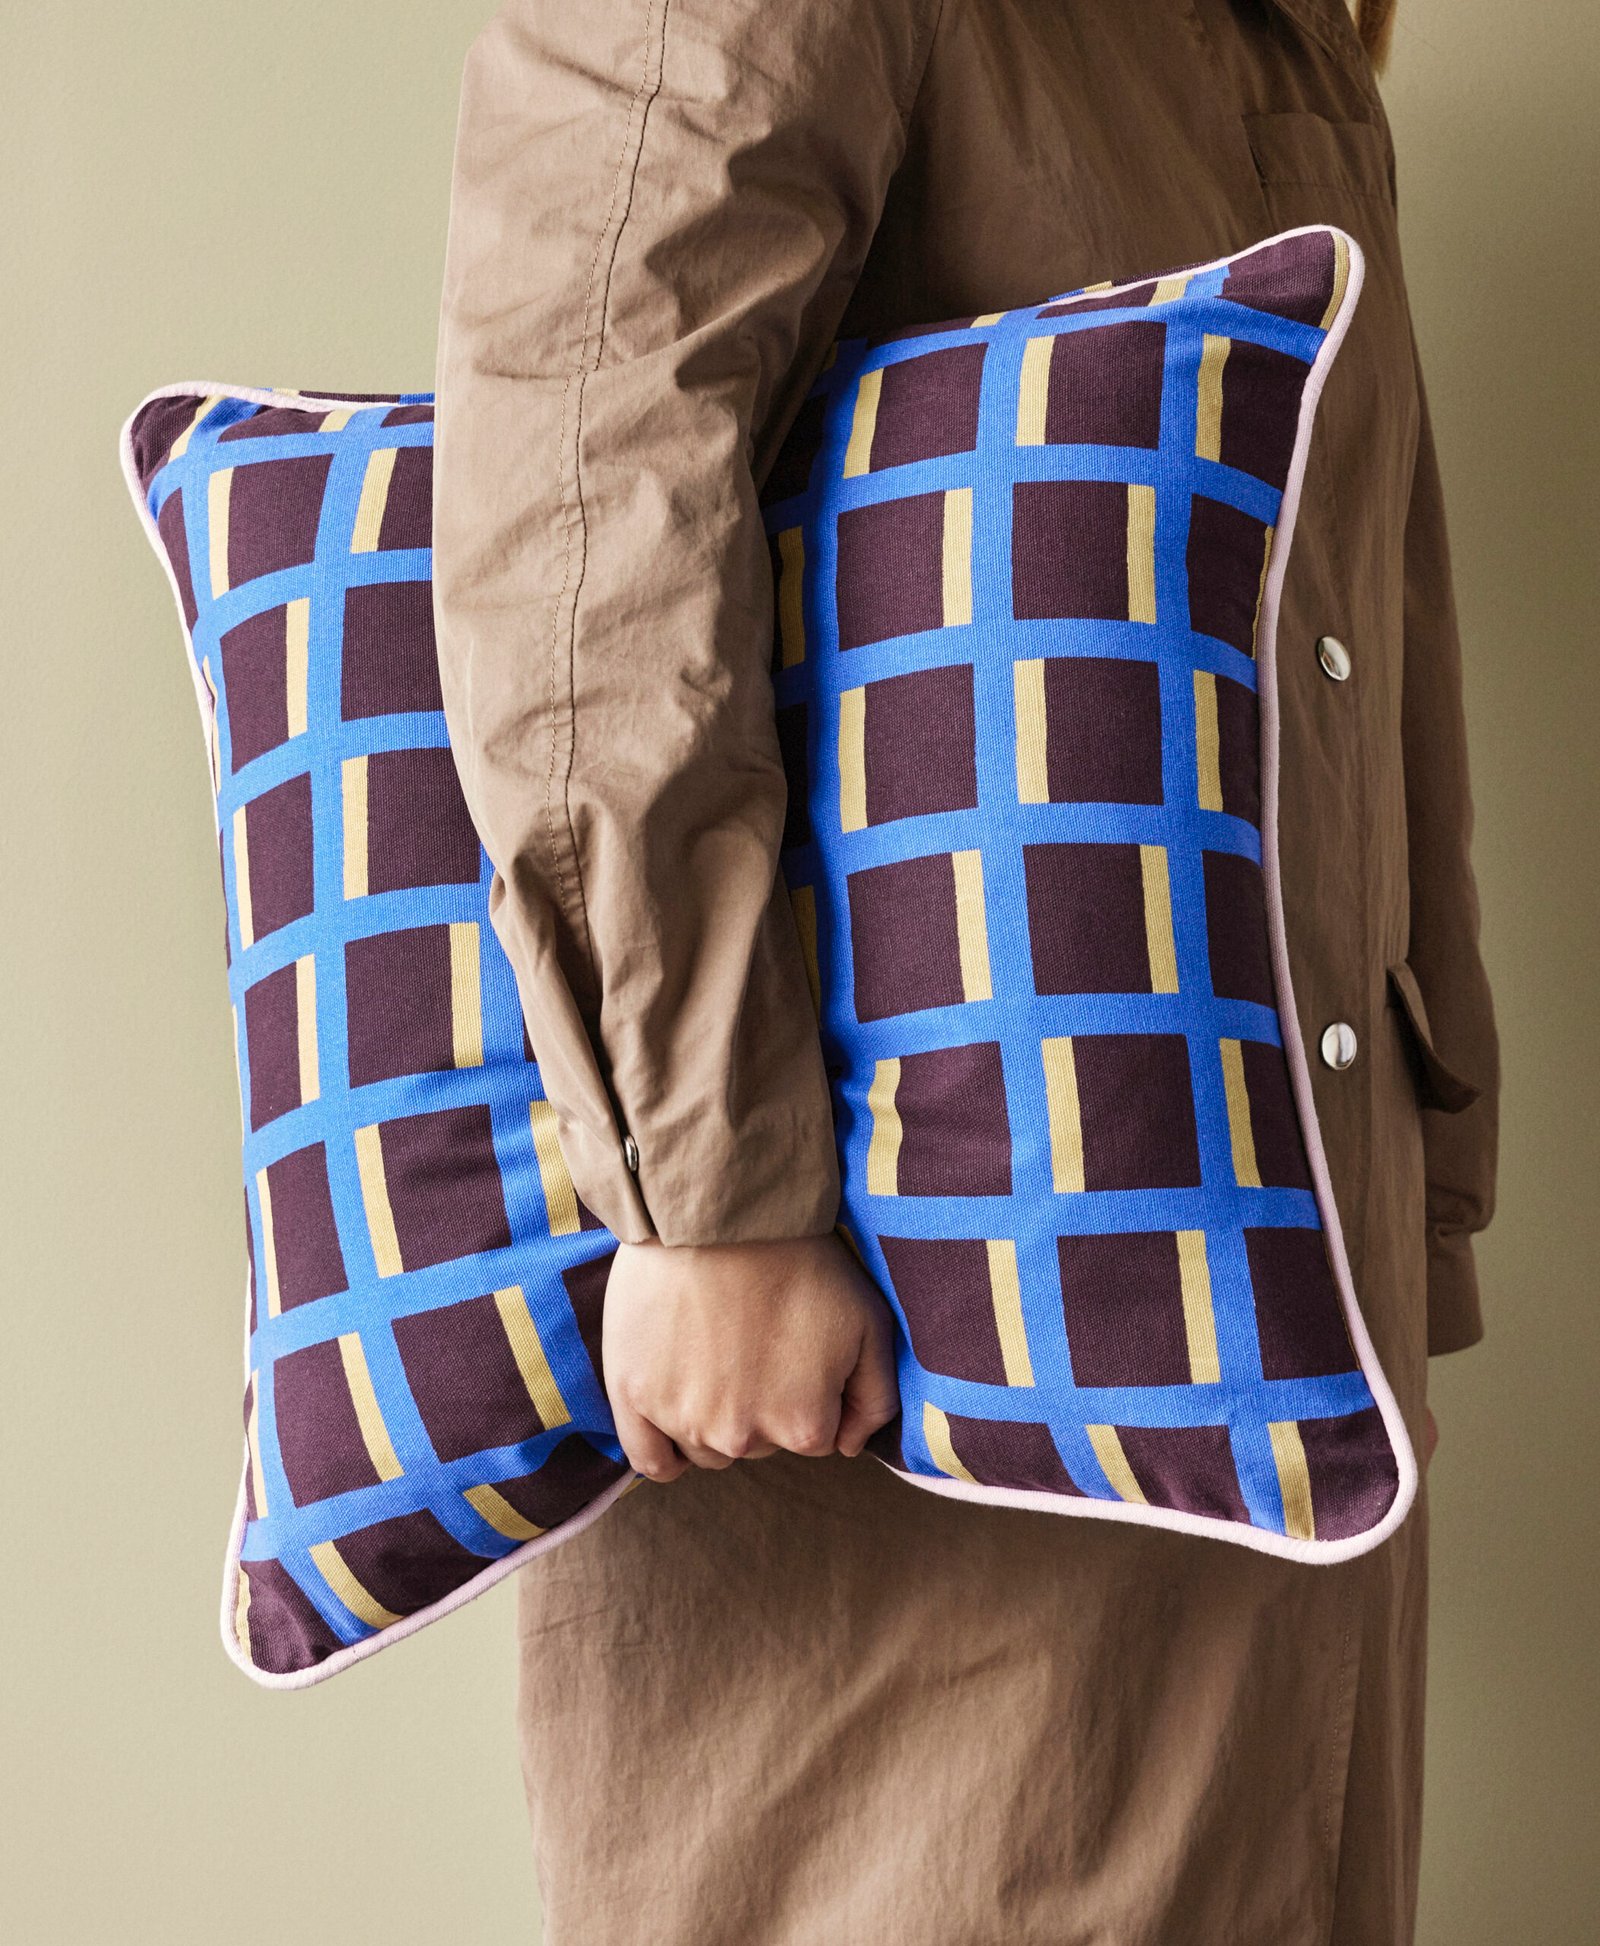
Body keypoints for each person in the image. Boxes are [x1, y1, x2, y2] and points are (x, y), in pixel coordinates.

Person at [431, 0, 1500, 1938]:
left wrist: (1406, 1193)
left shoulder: (1276, 40)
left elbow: (1342, 623)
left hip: (1260, 1366)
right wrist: (709, 1189)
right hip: (881, 1423)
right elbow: (582, 468)